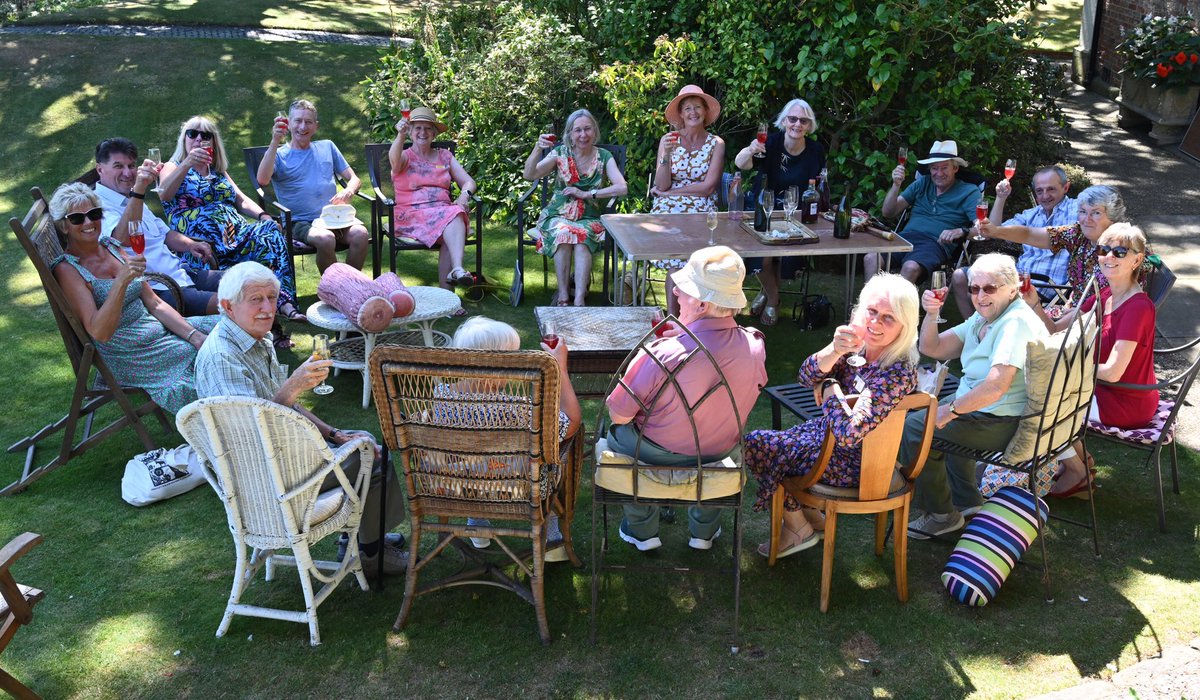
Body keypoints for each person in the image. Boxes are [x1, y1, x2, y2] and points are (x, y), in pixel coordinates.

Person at [194, 262, 408, 576]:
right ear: (228, 306)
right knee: (372, 457)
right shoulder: (222, 359)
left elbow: (285, 406)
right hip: (266, 483)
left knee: (360, 439)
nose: (268, 308)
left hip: (280, 455)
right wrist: (294, 384)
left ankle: (364, 532)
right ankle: (371, 553)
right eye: (256, 300)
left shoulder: (255, 340)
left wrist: (335, 434)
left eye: (271, 297)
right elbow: (250, 435)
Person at [744, 274, 920, 557]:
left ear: (905, 325)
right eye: (871, 312)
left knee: (760, 445)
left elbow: (849, 434)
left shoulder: (897, 370)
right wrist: (833, 350)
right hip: (827, 442)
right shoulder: (858, 348)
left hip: (859, 464)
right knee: (767, 445)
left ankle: (798, 527)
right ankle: (809, 519)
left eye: (888, 317)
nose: (875, 322)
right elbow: (804, 376)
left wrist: (828, 387)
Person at [604, 246, 767, 551]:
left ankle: (642, 530)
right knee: (712, 430)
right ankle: (704, 531)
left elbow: (618, 415)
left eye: (684, 289)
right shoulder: (755, 345)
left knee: (613, 433)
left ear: (703, 304)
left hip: (654, 452)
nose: (676, 292)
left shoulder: (665, 351)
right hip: (720, 452)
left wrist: (646, 356)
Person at [903, 254, 1047, 539]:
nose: (980, 296)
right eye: (974, 288)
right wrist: (931, 315)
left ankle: (942, 516)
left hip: (1002, 420)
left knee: (914, 429)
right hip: (983, 408)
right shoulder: (984, 319)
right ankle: (967, 502)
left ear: (1013, 288)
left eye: (990, 288)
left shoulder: (1014, 322)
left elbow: (995, 387)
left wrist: (952, 411)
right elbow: (933, 348)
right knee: (927, 416)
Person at [48, 183, 218, 414]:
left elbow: (155, 303)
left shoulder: (111, 247)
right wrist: (120, 284)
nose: (88, 223)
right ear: (64, 226)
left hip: (158, 332)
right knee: (214, 356)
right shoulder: (68, 270)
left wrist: (194, 335)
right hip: (133, 353)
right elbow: (100, 332)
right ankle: (243, 414)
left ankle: (263, 402)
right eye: (77, 218)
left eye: (94, 214)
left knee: (227, 329)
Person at [443, 317, 582, 561]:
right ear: (494, 364)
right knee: (550, 456)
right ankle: (550, 533)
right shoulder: (514, 408)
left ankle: (477, 521)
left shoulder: (438, 398)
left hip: (454, 484)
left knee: (475, 460)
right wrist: (560, 367)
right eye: (512, 357)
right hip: (511, 483)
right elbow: (571, 422)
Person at [1043, 223, 1159, 498]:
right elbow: (1056, 328)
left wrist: (1069, 367)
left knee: (1043, 405)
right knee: (1040, 390)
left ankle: (1078, 471)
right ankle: (1081, 463)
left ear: (1137, 260)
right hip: (1102, 391)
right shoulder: (1105, 294)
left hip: (1125, 400)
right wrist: (1031, 303)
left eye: (1119, 251)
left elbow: (1113, 372)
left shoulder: (1137, 307)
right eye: (1103, 249)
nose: (1109, 257)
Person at [158, 115, 305, 330]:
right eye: (193, 133)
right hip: (202, 242)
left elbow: (239, 198)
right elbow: (164, 194)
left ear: (213, 142)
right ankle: (253, 311)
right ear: (184, 139)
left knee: (270, 231)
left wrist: (264, 215)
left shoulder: (216, 170)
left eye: (205, 135)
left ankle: (283, 301)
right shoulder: (173, 166)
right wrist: (188, 162)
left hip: (236, 235)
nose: (199, 139)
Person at [92, 137, 223, 316]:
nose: (128, 173)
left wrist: (190, 244)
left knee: (248, 281)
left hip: (182, 274)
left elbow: (165, 234)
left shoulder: (130, 198)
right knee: (233, 303)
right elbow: (121, 240)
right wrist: (138, 191)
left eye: (131, 166)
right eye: (118, 166)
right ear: (100, 169)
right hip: (159, 290)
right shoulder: (96, 207)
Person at [733, 98, 826, 326]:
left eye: (803, 120)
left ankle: (766, 293)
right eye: (792, 119)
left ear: (809, 125)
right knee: (762, 257)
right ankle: (774, 299)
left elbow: (817, 184)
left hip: (793, 213)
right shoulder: (770, 143)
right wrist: (751, 149)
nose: (797, 124)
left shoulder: (815, 150)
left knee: (781, 256)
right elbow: (741, 164)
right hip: (763, 207)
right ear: (784, 121)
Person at [523, 108, 629, 307]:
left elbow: (621, 187)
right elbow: (530, 175)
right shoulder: (560, 153)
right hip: (557, 215)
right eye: (577, 130)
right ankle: (563, 296)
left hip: (589, 217)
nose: (583, 135)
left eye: (587, 129)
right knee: (563, 234)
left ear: (595, 131)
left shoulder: (604, 156)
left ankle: (579, 300)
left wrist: (588, 194)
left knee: (581, 239)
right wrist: (538, 148)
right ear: (570, 134)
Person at [256, 99, 369, 273]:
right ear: (289, 124)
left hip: (333, 217)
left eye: (308, 122)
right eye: (298, 121)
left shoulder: (327, 147)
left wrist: (349, 190)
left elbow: (354, 179)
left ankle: (349, 285)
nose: (303, 127)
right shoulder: (279, 155)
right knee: (326, 239)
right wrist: (274, 141)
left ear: (316, 126)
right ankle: (334, 289)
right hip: (298, 222)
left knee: (360, 234)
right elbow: (262, 180)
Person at [949, 165, 1077, 318]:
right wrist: (1001, 198)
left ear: (1066, 187)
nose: (1045, 196)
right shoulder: (1032, 215)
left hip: (1048, 287)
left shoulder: (1078, 210)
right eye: (1039, 191)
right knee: (960, 277)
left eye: (1051, 189)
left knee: (989, 294)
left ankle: (985, 332)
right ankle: (973, 331)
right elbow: (993, 230)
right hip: (1017, 279)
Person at [979, 185, 1129, 309]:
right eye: (1083, 212)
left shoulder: (1122, 246)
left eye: (1096, 213)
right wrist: (996, 231)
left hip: (1101, 322)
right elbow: (1029, 234)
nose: (1086, 219)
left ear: (1112, 216)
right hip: (1074, 314)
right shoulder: (1077, 234)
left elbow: (1120, 299)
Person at [648, 85, 726, 317]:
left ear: (705, 112)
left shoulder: (717, 143)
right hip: (668, 209)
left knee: (690, 257)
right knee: (676, 255)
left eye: (697, 107)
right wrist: (666, 157)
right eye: (688, 108)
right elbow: (662, 184)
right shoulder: (668, 140)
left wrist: (671, 193)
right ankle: (676, 318)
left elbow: (708, 188)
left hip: (701, 207)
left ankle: (687, 316)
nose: (693, 112)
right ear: (681, 114)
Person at [389, 106, 477, 294]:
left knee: (451, 224)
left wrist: (464, 195)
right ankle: (456, 273)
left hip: (443, 215)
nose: (423, 132)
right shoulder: (405, 157)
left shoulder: (445, 156)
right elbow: (394, 161)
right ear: (411, 131)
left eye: (428, 128)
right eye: (418, 128)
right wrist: (400, 137)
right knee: (455, 216)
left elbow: (469, 181)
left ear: (434, 133)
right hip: (411, 216)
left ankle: (450, 293)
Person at [867, 140, 981, 284]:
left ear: (955, 168)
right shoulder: (922, 183)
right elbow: (888, 212)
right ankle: (868, 305)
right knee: (871, 258)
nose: (939, 173)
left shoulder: (969, 191)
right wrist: (896, 185)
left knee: (910, 267)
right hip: (905, 238)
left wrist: (961, 231)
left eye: (944, 167)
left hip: (935, 244)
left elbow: (982, 229)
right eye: (934, 168)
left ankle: (899, 306)